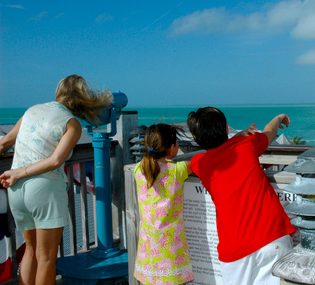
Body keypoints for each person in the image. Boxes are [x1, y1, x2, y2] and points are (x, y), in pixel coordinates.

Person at [0, 74, 112, 285]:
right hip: (43, 189)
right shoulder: (72, 123)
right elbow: (55, 160)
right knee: (47, 258)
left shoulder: (31, 111)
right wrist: (20, 172)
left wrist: (16, 173)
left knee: (30, 252)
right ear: (82, 98)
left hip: (16, 191)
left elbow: (4, 143)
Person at [187, 107, 297, 285]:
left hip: (235, 248)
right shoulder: (247, 145)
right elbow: (270, 132)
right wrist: (278, 117)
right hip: (271, 235)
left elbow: (214, 153)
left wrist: (235, 138)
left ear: (198, 140)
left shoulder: (200, 164)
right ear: (226, 127)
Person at [134, 123, 194, 285]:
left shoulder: (139, 169)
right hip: (171, 245)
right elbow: (202, 160)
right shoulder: (177, 170)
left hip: (148, 245)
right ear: (171, 148)